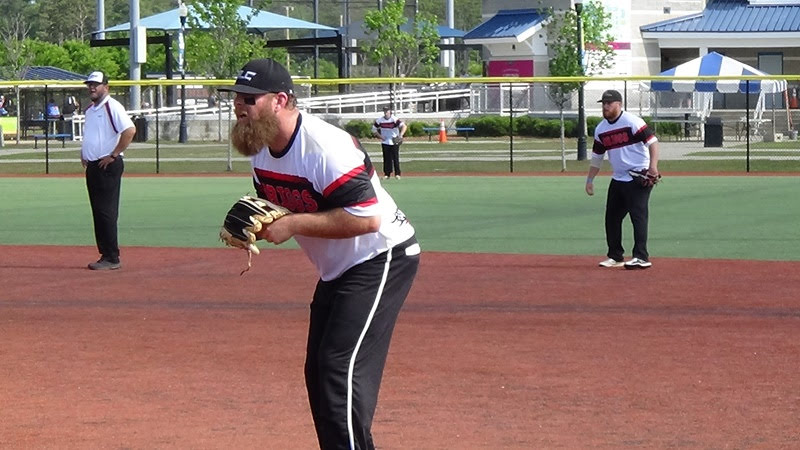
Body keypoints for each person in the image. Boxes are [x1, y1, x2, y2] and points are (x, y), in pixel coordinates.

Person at [218, 58, 420, 449]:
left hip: (383, 256)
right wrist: (259, 223)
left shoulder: (325, 147)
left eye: (249, 98)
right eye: (237, 97)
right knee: (319, 373)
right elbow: (278, 206)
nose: (239, 105)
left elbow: (367, 219)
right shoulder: (262, 151)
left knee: (337, 370)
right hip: (340, 269)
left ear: (279, 100)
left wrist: (292, 224)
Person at [585, 89, 660, 270]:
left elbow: (653, 142)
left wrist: (653, 167)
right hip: (618, 178)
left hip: (638, 175)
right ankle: (615, 256)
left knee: (638, 216)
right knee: (612, 217)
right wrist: (590, 180)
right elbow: (597, 157)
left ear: (619, 104)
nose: (605, 106)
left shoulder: (632, 122)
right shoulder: (601, 129)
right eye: (603, 103)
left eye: (609, 103)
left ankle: (641, 257)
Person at [80, 71, 136, 270]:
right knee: (98, 211)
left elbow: (129, 130)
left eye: (96, 84)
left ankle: (112, 257)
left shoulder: (112, 106)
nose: (92, 88)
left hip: (107, 165)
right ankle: (105, 254)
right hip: (93, 165)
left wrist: (114, 154)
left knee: (106, 212)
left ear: (106, 87)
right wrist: (84, 152)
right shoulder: (90, 110)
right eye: (90, 84)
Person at [371, 106, 406, 179]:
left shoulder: (394, 119)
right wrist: (380, 136)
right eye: (385, 111)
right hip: (385, 141)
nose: (386, 112)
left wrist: (401, 135)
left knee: (395, 158)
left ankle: (397, 174)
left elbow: (404, 126)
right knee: (386, 158)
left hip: (394, 141)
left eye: (387, 111)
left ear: (390, 111)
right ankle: (387, 174)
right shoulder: (380, 120)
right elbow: (373, 129)